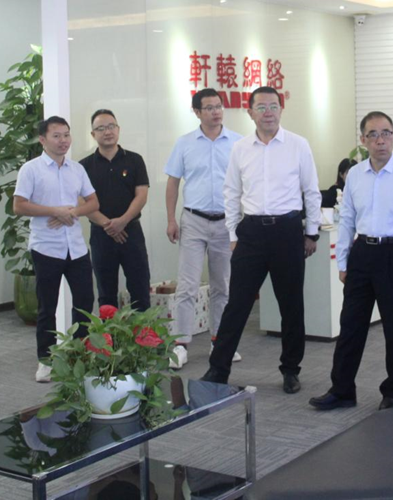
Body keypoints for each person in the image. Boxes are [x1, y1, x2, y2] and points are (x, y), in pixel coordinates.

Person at [201, 86, 323, 394]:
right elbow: (231, 193)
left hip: (287, 231)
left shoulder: (298, 145)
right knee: (237, 304)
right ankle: (218, 369)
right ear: (250, 112)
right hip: (251, 232)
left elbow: (311, 191)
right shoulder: (241, 148)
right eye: (261, 107)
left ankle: (291, 370)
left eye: (273, 106)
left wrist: (311, 232)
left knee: (291, 305)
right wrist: (233, 234)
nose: (268, 113)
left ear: (281, 109)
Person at [310, 111, 393, 411]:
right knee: (350, 325)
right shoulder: (355, 175)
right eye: (373, 134)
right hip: (362, 254)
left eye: (386, 133)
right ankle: (342, 390)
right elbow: (347, 220)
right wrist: (343, 263)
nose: (380, 140)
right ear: (363, 140)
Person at [13, 116, 98, 382]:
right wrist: (54, 211)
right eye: (56, 136)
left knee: (84, 302)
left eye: (66, 135)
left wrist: (72, 212)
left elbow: (93, 203)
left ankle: (79, 355)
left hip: (76, 247)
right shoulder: (31, 169)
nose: (63, 141)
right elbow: (19, 205)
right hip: (46, 248)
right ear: (43, 139)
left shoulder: (77, 169)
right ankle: (46, 360)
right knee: (46, 306)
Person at [164, 88, 241, 369]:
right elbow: (173, 183)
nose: (216, 112)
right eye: (209, 108)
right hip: (193, 220)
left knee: (223, 286)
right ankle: (181, 344)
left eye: (218, 106)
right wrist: (171, 219)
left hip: (226, 222)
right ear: (197, 112)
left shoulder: (238, 142)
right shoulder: (184, 143)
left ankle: (219, 342)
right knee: (187, 285)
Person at [79, 110, 152, 311]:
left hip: (132, 232)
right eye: (101, 128)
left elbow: (141, 196)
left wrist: (122, 221)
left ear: (118, 129)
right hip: (101, 235)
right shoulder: (84, 166)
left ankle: (142, 332)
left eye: (111, 126)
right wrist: (109, 225)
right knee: (106, 294)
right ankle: (108, 332)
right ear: (93, 134)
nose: (107, 132)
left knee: (140, 289)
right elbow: (82, 202)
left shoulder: (135, 160)